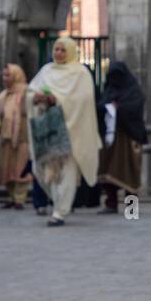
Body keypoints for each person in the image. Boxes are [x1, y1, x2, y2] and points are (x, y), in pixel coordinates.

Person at [26, 36, 101, 227]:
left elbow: (83, 100)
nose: (58, 53)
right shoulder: (46, 71)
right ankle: (57, 204)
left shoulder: (81, 73)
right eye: (56, 49)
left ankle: (60, 211)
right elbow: (30, 92)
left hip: (71, 131)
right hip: (48, 131)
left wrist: (56, 100)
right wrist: (36, 98)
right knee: (43, 170)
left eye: (63, 50)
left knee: (67, 172)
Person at [96, 61, 147, 214]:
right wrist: (107, 107)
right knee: (108, 170)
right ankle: (111, 204)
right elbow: (100, 106)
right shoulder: (109, 90)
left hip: (129, 137)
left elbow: (136, 107)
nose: (115, 79)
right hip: (111, 139)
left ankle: (131, 208)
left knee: (130, 172)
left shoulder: (133, 91)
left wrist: (119, 108)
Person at [0, 64, 32, 210]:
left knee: (20, 169)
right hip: (6, 138)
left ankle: (20, 198)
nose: (5, 78)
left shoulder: (27, 92)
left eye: (8, 75)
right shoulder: (4, 95)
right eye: (4, 75)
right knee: (7, 169)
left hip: (23, 137)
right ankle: (11, 197)